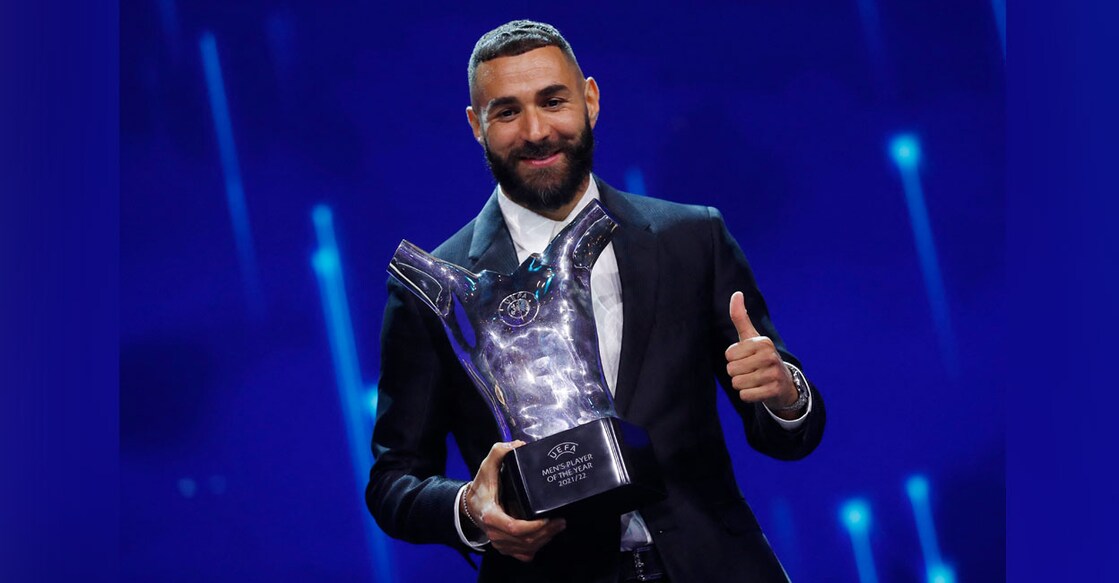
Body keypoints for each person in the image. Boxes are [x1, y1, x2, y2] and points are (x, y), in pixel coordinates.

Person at [366, 20, 825, 583]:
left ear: (590, 100)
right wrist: (468, 509)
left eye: (553, 101)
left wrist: (784, 396)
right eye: (507, 112)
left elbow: (787, 432)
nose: (535, 131)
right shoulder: (434, 287)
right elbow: (394, 481)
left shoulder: (692, 238)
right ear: (475, 126)